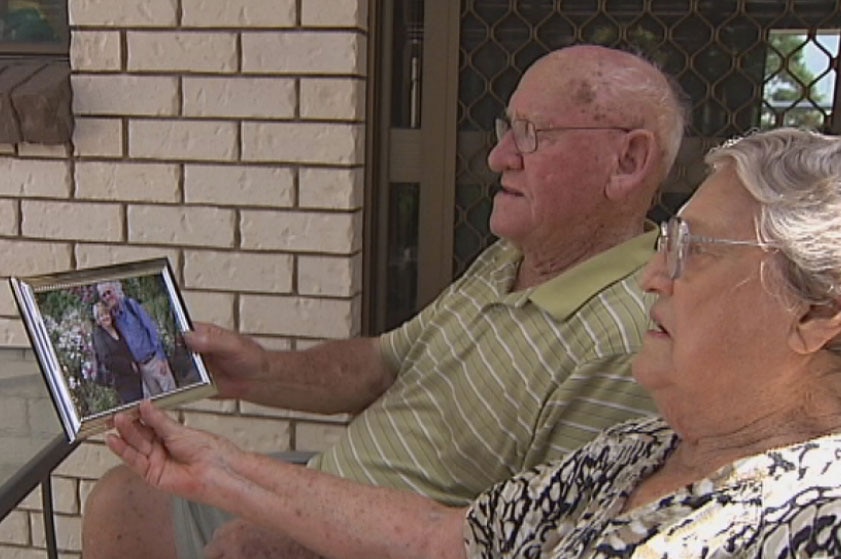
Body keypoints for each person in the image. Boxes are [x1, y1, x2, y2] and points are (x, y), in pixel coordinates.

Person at [107, 127, 841, 557]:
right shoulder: (646, 445)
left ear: (814, 314)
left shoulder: (805, 517)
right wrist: (218, 464)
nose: (654, 274)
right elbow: (448, 536)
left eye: (692, 248)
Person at [82, 44, 688, 558]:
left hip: (363, 539)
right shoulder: (514, 256)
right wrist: (257, 371)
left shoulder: (630, 334)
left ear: (628, 161)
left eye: (533, 135)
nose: (499, 156)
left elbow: (517, 540)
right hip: (323, 485)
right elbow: (382, 364)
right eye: (509, 128)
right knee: (122, 495)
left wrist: (298, 538)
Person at [96, 281, 177, 397]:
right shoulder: (113, 320)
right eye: (104, 295)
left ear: (115, 291)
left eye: (109, 292)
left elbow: (151, 328)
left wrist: (161, 358)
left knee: (173, 396)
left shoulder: (131, 306)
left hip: (155, 361)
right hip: (142, 369)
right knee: (159, 404)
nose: (107, 297)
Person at [90, 301, 144, 404]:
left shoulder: (116, 328)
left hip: (134, 378)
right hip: (121, 382)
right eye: (101, 315)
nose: (105, 317)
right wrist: (129, 365)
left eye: (106, 313)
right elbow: (106, 359)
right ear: (98, 320)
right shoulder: (98, 335)